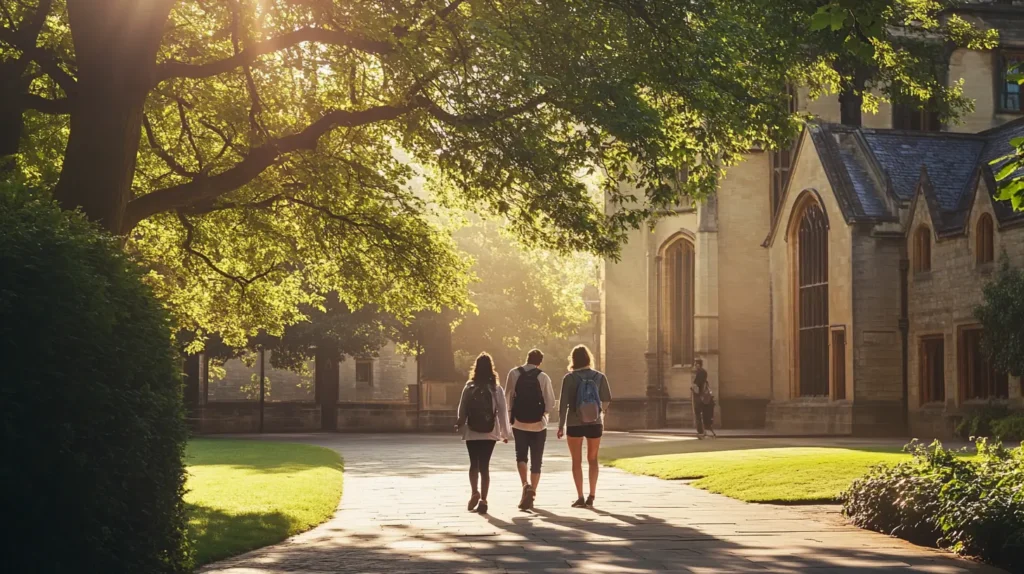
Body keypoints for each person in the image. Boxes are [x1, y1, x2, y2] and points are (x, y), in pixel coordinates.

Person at [557, 344, 612, 508]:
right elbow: (607, 399)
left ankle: (580, 496)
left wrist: (561, 425)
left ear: (573, 360)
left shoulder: (569, 378)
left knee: (576, 461)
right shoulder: (600, 377)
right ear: (589, 358)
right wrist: (599, 412)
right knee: (593, 459)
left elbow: (563, 405)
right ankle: (592, 495)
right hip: (594, 422)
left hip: (574, 423)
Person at [455, 352, 511, 514]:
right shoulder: (495, 389)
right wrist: (505, 433)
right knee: (484, 466)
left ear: (476, 368)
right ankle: (484, 500)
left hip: (472, 431)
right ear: (491, 368)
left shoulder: (469, 386)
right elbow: (502, 412)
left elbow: (462, 407)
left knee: (474, 463)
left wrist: (460, 422)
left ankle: (474, 492)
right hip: (490, 432)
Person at [505, 348, 555, 511]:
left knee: (521, 455)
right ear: (540, 362)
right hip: (539, 425)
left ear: (526, 359)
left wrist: (510, 418)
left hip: (519, 423)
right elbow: (550, 402)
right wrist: (542, 413)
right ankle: (533, 490)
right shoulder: (543, 376)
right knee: (537, 459)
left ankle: (524, 485)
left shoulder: (514, 373)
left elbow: (508, 397)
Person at [690, 357, 716, 438]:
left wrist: (693, 390)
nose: (694, 366)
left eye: (695, 364)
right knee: (704, 414)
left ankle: (700, 431)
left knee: (698, 413)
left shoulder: (699, 372)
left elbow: (696, 385)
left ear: (698, 364)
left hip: (699, 396)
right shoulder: (704, 372)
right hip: (704, 396)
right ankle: (705, 430)